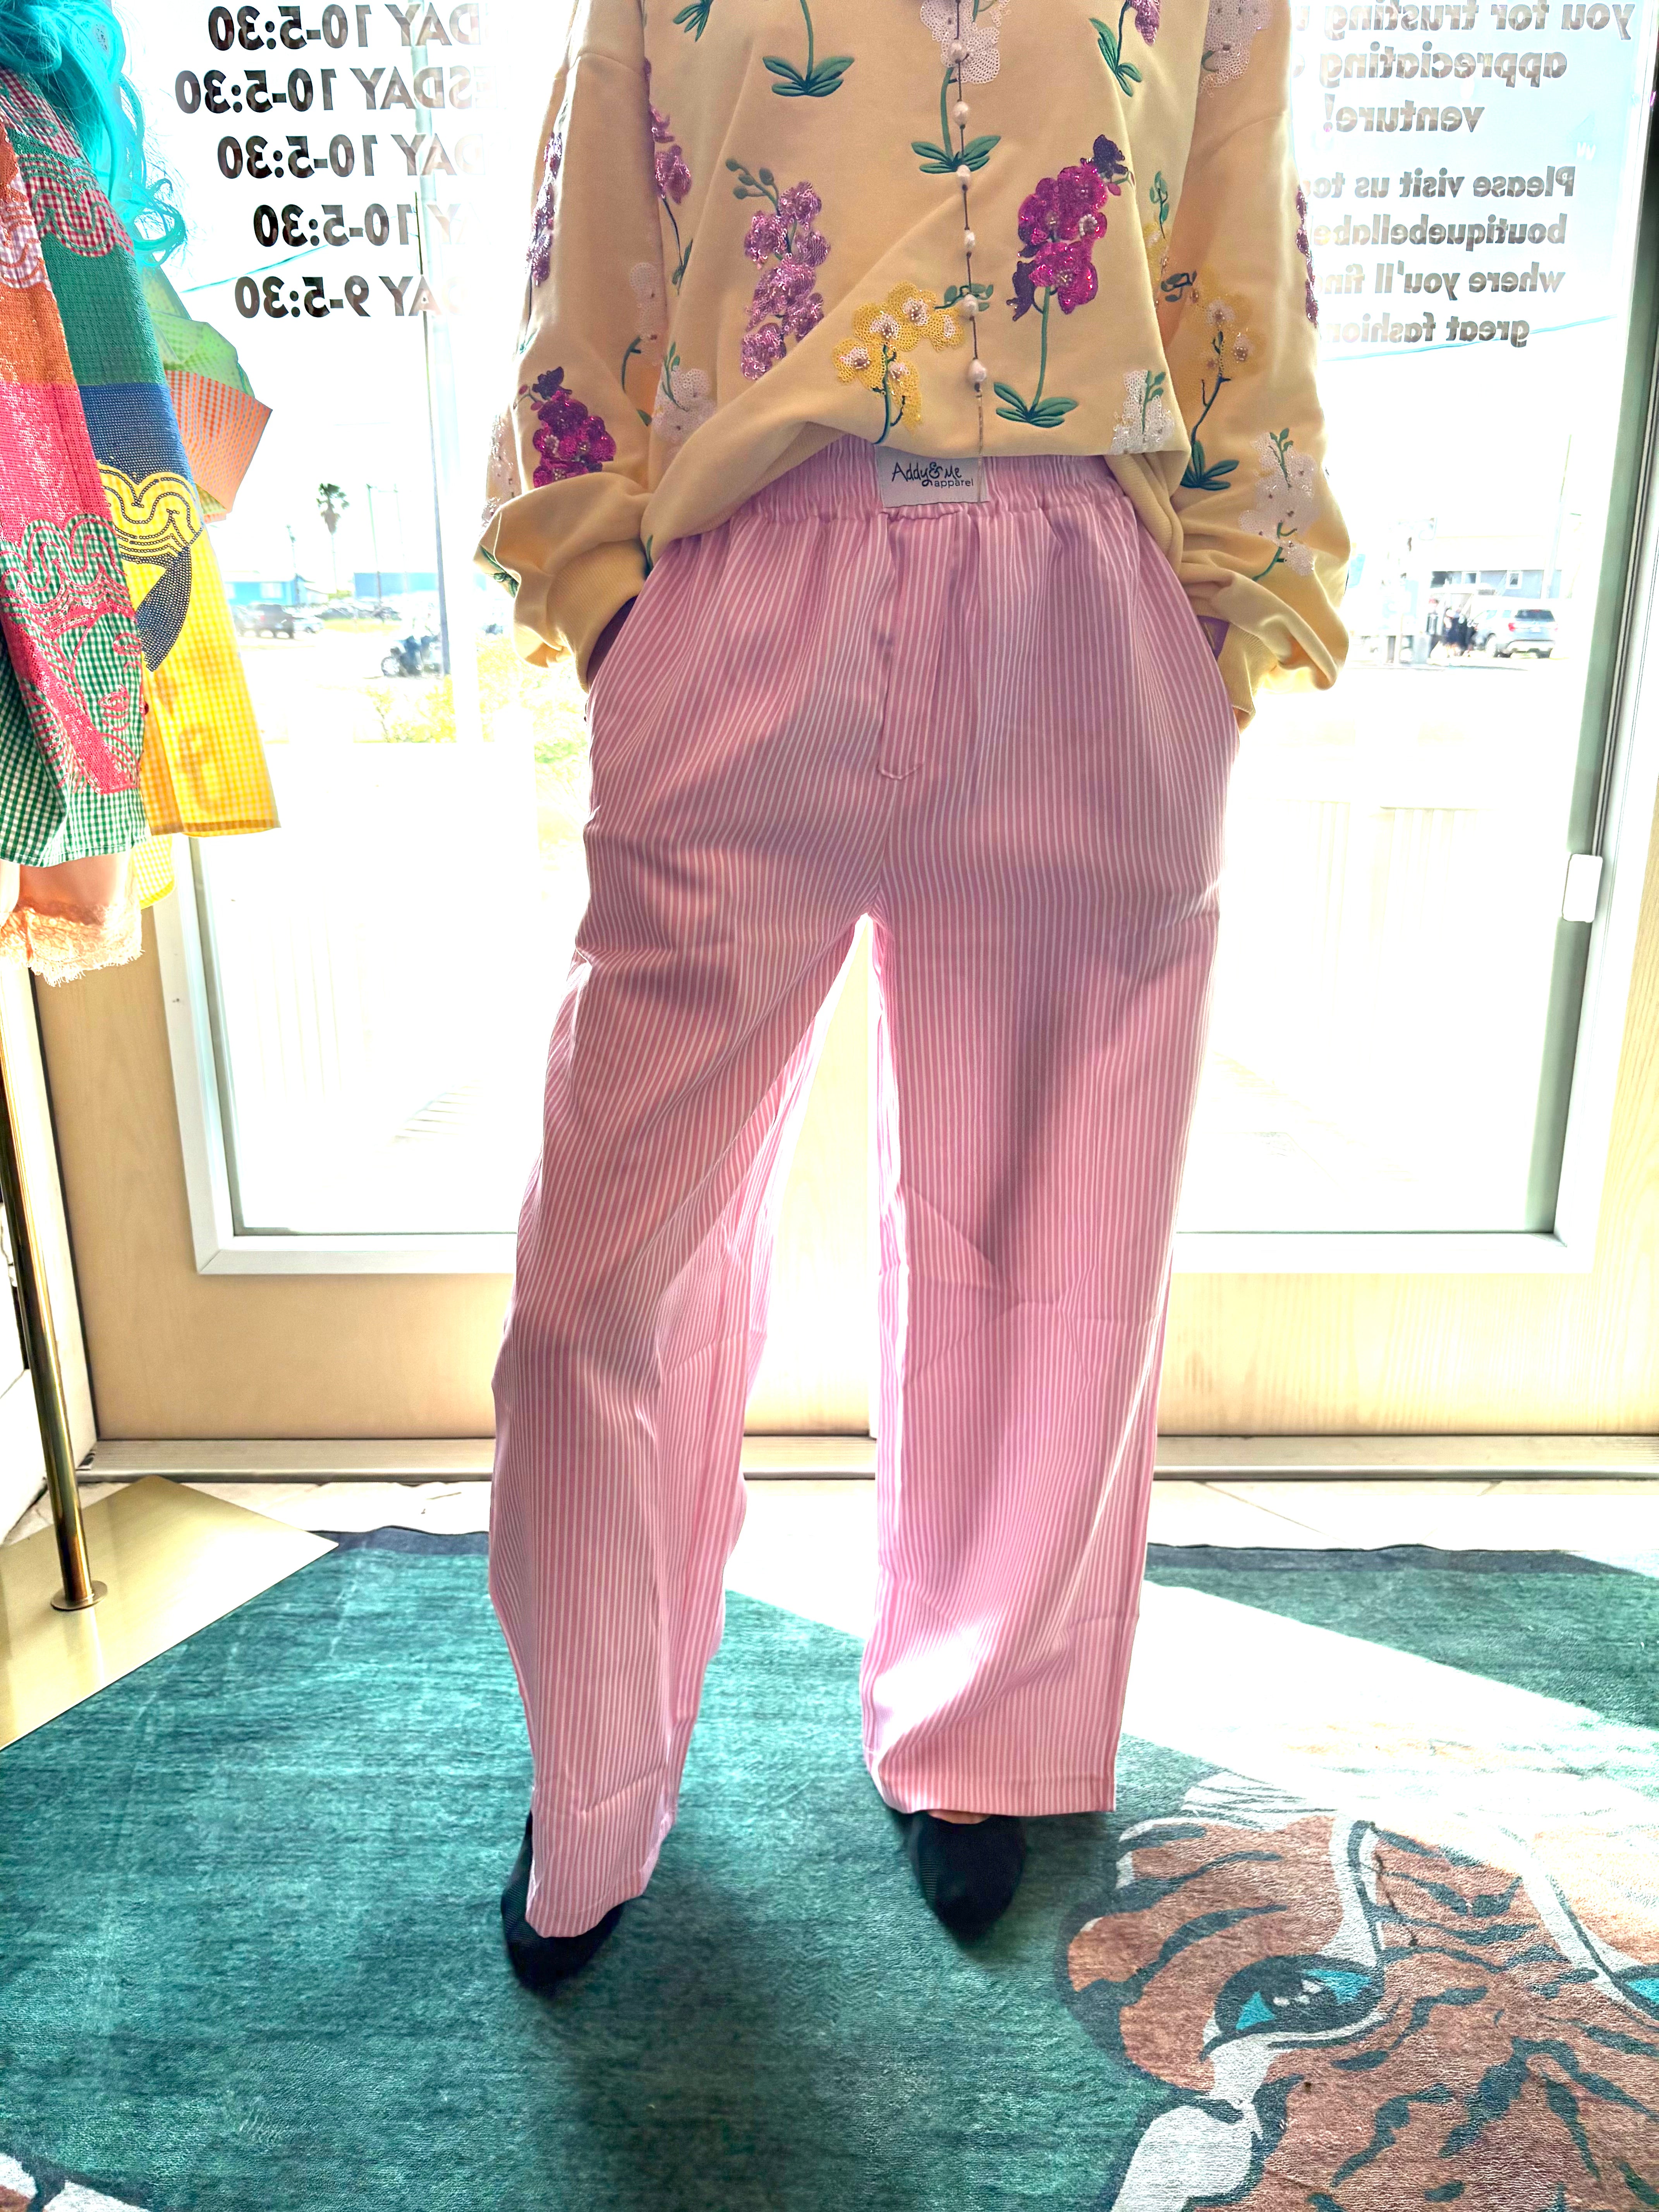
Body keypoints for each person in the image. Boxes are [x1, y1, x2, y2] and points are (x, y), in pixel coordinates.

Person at [478, 0, 1348, 1986]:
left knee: (1051, 1244)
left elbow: (1238, 257)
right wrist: (610, 598)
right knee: (598, 1286)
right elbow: (591, 242)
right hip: (744, 586)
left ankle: (981, 1732)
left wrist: (1222, 615)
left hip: (1086, 605)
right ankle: (592, 1774)